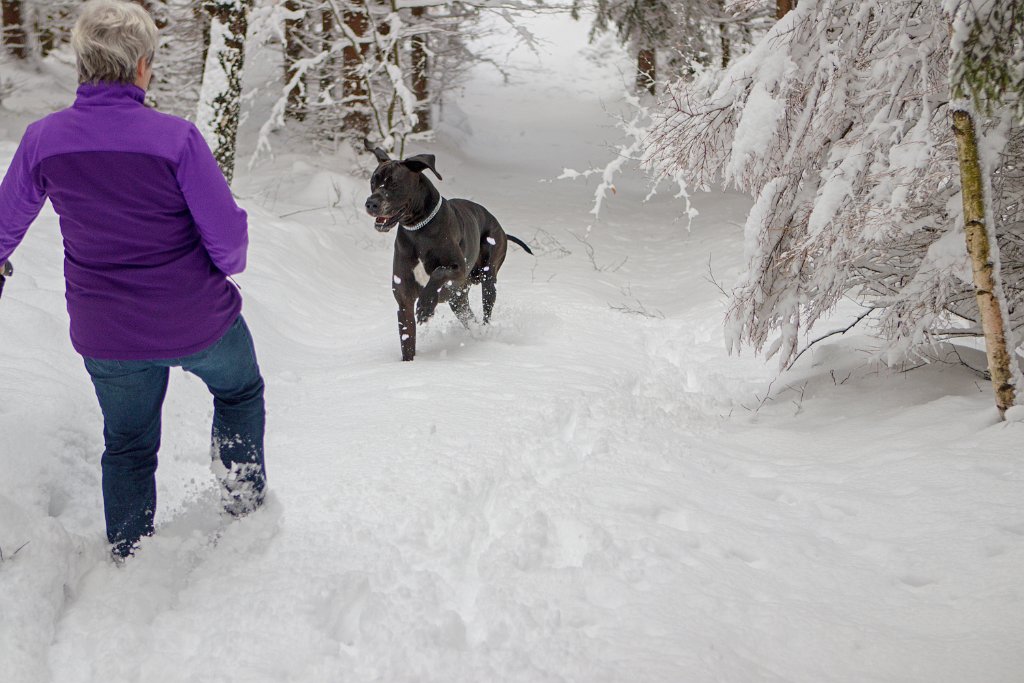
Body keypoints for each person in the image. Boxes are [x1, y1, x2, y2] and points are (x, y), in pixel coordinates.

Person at [0, 0, 267, 559]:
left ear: (81, 63)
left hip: (107, 331)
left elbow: (3, 229)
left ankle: (129, 553)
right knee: (239, 390)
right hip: (197, 319)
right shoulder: (177, 140)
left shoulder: (44, 140)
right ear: (143, 65)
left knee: (127, 443)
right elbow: (232, 248)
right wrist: (217, 260)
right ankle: (243, 511)